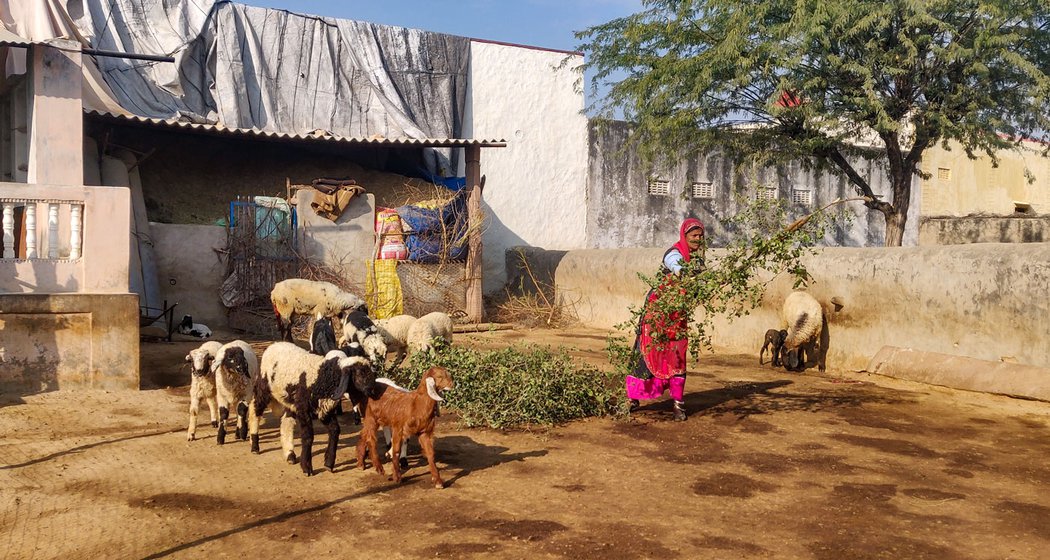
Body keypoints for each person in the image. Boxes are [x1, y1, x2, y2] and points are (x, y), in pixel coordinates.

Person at [626, 218, 705, 421]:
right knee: (648, 351)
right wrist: (686, 272)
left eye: (700, 236)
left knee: (677, 353)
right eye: (694, 236)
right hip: (657, 312)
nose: (697, 239)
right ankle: (633, 398)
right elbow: (676, 266)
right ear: (684, 236)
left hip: (677, 315)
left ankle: (678, 405)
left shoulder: (698, 260)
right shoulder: (674, 254)